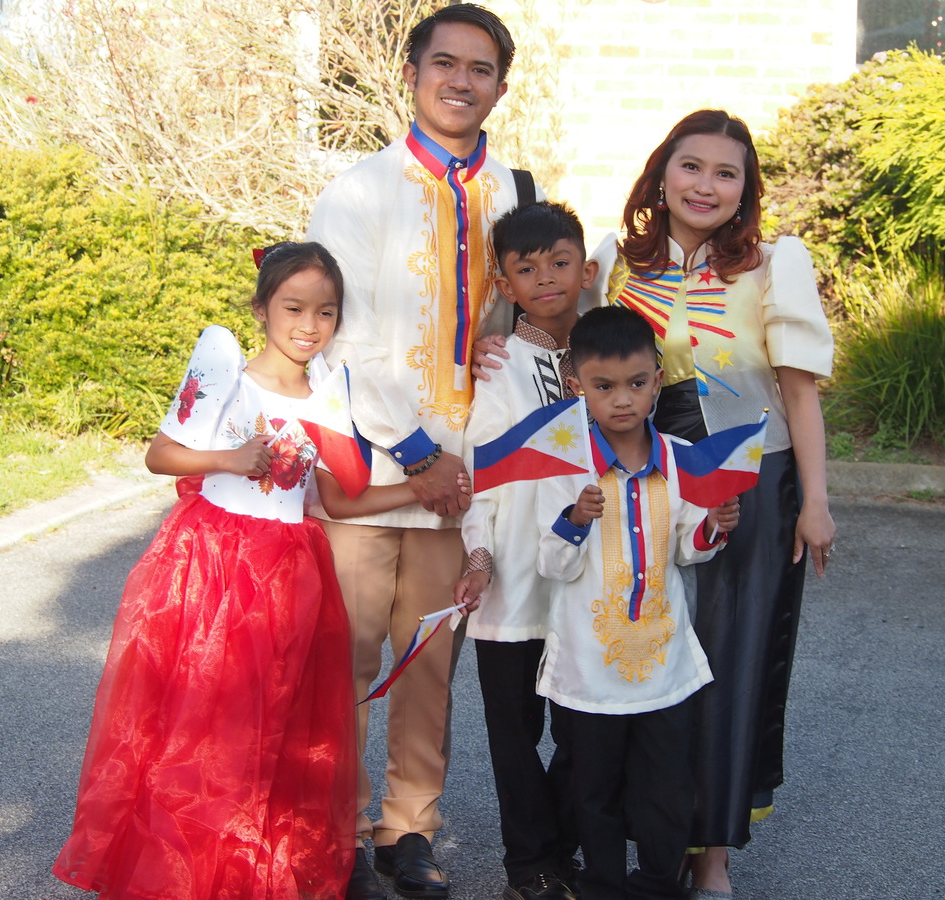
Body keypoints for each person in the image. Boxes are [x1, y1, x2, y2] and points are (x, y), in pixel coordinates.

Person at [53, 241, 380, 900]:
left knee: (278, 723)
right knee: (204, 722)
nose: (309, 324)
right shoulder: (229, 376)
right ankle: (189, 870)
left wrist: (420, 492)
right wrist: (228, 459)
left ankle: (256, 864)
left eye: (325, 311)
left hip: (292, 571)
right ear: (262, 308)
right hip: (217, 565)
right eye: (293, 307)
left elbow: (335, 499)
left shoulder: (328, 392)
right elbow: (161, 455)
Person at [303, 5, 534, 900]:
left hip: (463, 482)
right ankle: (338, 834)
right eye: (445, 63)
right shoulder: (357, 191)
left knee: (429, 663)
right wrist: (415, 453)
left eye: (481, 69)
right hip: (373, 474)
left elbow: (522, 318)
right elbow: (340, 340)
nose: (460, 81)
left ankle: (409, 832)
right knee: (348, 663)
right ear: (411, 74)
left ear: (500, 88)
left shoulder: (512, 192)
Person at [606, 109, 836, 897]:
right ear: (661, 175)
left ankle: (711, 853)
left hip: (751, 479)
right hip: (641, 479)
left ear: (745, 190)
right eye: (691, 166)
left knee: (731, 658)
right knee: (641, 646)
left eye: (725, 173)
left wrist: (815, 502)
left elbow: (798, 394)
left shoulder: (774, 265)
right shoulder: (616, 263)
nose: (705, 185)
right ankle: (649, 836)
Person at [534, 305, 739, 900]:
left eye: (637, 383)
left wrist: (713, 525)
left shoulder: (679, 457)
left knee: (666, 788)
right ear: (577, 385)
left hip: (664, 664)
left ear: (658, 380)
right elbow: (551, 565)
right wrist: (575, 520)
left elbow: (687, 550)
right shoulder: (565, 464)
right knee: (592, 788)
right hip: (588, 664)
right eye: (603, 386)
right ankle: (601, 884)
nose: (622, 400)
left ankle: (655, 885)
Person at [452, 201, 598, 900]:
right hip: (512, 579)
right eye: (527, 269)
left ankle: (563, 849)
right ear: (505, 284)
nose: (546, 279)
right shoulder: (501, 364)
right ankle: (529, 865)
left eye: (560, 263)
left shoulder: (605, 358)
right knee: (514, 733)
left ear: (585, 271)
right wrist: (478, 555)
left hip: (583, 577)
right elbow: (481, 470)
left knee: (582, 728)